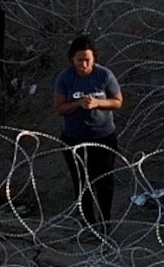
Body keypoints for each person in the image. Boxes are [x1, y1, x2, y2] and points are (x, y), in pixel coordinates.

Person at [52, 36, 125, 224]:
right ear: (72, 60)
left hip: (103, 137)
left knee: (104, 182)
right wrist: (78, 103)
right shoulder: (66, 78)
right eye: (79, 60)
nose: (83, 64)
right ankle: (88, 223)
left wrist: (98, 103)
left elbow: (117, 101)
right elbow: (60, 108)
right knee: (81, 182)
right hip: (73, 139)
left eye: (87, 60)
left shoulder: (104, 76)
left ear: (94, 59)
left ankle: (105, 221)